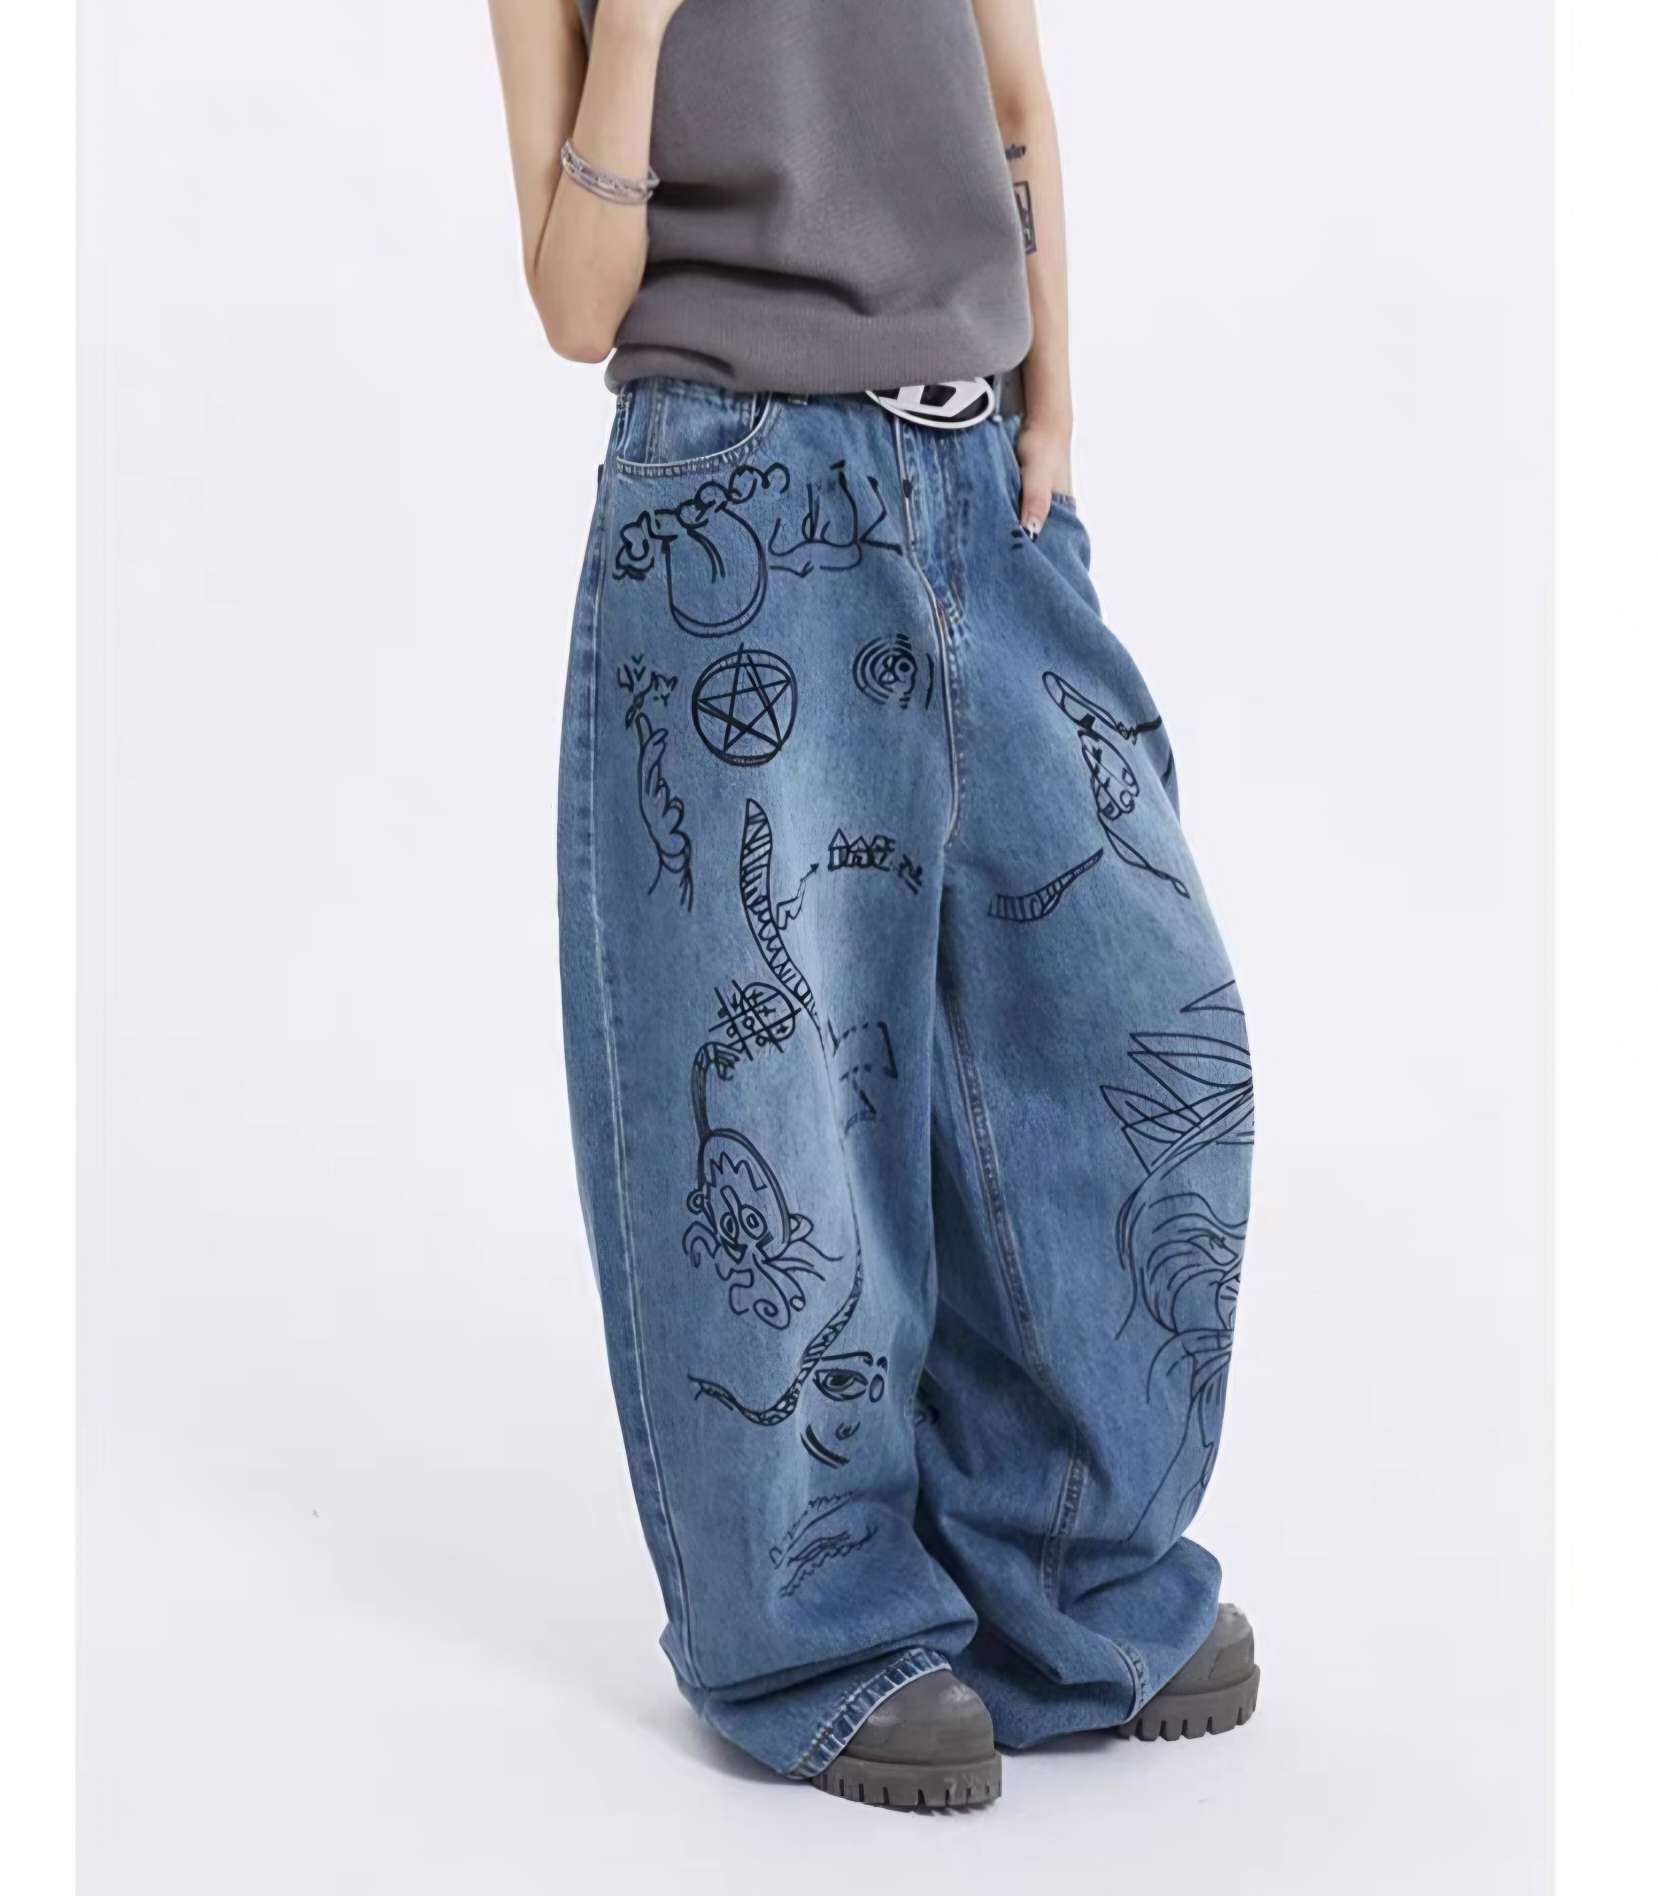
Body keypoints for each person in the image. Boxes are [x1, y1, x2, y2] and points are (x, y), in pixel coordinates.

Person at [489, 0, 1258, 1810]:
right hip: (734, 491)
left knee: (1131, 1029)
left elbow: (1015, 102)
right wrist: (640, 33)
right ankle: (815, 1634)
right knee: (772, 1099)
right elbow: (576, 305)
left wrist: (1053, 406)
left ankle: (1066, 1580)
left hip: (983, 481)